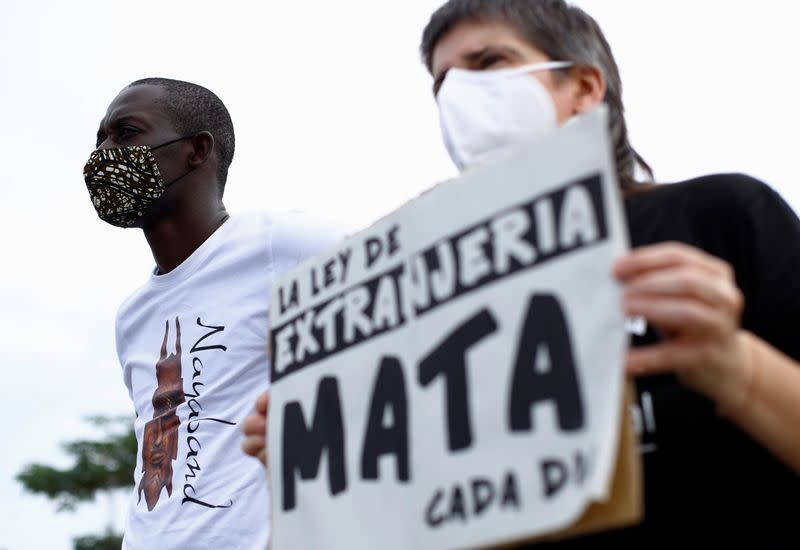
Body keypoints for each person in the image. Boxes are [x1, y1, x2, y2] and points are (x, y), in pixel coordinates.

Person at [243, 1, 800, 546]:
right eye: (442, 84)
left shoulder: (720, 216)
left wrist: (739, 370)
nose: (459, 96)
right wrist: (313, 471)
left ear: (583, 88)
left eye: (489, 63)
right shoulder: (418, 293)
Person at [85, 77, 346, 549]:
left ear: (197, 150)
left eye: (126, 133)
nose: (104, 153)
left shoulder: (282, 244)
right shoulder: (132, 317)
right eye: (99, 138)